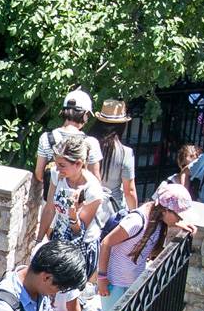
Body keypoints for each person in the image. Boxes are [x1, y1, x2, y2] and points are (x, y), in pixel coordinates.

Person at [94, 181, 198, 311]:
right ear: (165, 210)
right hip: (115, 283)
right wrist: (102, 278)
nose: (179, 219)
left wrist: (180, 224)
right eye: (178, 216)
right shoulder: (137, 221)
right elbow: (106, 243)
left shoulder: (159, 221)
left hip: (133, 281)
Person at [34, 89, 99, 243]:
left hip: (53, 199)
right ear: (84, 115)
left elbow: (39, 173)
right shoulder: (90, 143)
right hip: (79, 205)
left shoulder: (46, 138)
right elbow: (95, 178)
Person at [47, 135, 109, 272]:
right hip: (59, 239)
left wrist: (72, 211)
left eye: (62, 165)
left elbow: (78, 232)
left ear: (78, 164)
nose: (57, 169)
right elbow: (49, 209)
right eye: (56, 164)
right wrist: (40, 239)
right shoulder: (57, 175)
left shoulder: (93, 190)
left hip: (81, 247)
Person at [89, 99, 138, 216]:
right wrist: (134, 216)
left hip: (85, 205)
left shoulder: (87, 144)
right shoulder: (125, 153)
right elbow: (129, 191)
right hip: (111, 210)